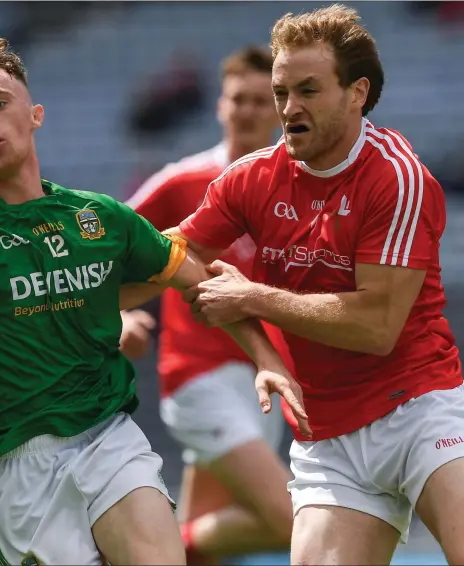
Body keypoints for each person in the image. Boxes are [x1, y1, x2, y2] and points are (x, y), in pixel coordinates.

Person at [0, 33, 304, 566]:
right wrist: (116, 314)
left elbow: (192, 275)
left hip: (109, 433)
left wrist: (267, 359)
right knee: (295, 520)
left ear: (34, 115)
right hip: (17, 454)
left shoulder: (96, 216)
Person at [158, 5, 464, 565]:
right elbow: (166, 254)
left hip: (418, 409)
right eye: (281, 93)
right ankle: (183, 547)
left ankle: (185, 545)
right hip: (328, 435)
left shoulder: (395, 175)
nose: (289, 108)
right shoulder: (251, 178)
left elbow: (376, 327)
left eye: (308, 90)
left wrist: (251, 297)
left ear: (357, 93)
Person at [123, 46, 296, 563]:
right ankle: (142, 552)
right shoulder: (183, 182)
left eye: (261, 101)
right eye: (238, 99)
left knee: (203, 544)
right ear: (220, 106)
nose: (248, 111)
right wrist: (119, 311)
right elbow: (109, 247)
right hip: (198, 378)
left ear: (281, 110)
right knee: (299, 519)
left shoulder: (301, 188)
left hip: (264, 381)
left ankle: (172, 551)